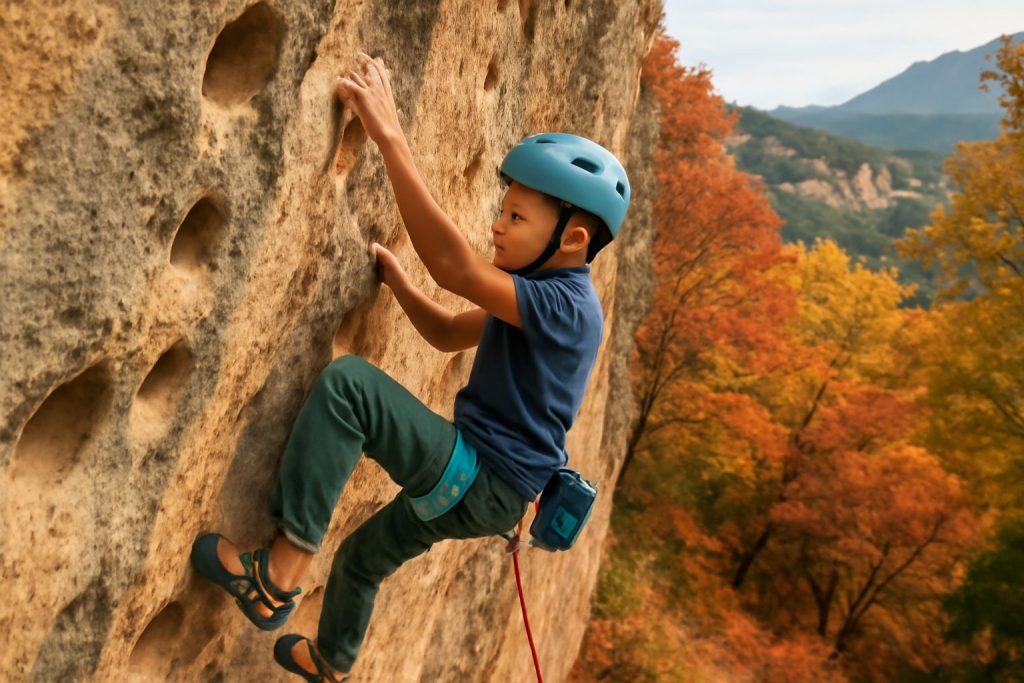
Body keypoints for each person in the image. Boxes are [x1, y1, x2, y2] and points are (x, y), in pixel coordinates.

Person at [189, 51, 631, 682]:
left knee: (350, 390)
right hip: (490, 495)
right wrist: (399, 288)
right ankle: (333, 661)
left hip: (482, 476)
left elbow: (455, 268)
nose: (497, 226)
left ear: (572, 240)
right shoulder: (542, 304)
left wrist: (389, 136)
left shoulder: (567, 307)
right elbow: (450, 332)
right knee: (362, 559)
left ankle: (277, 575)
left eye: (514, 217)